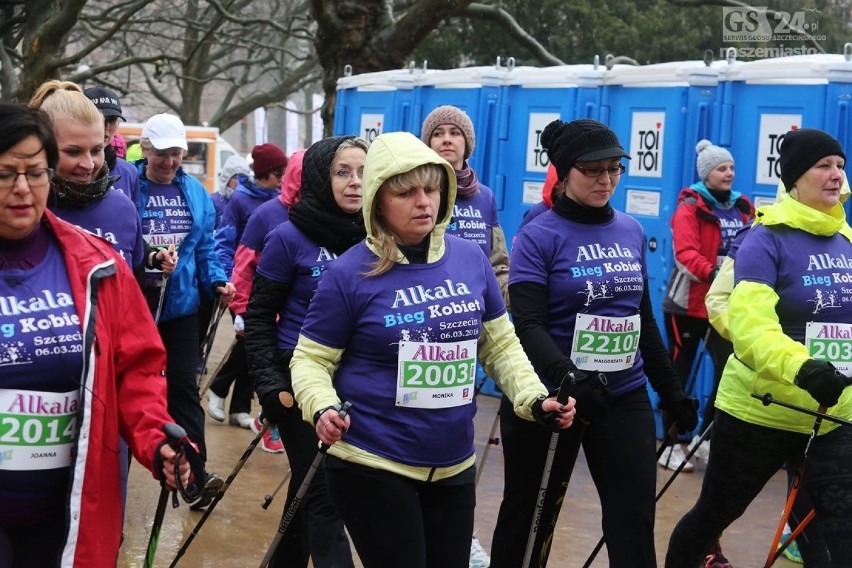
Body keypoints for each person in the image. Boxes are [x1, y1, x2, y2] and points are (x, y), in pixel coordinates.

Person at [289, 131, 576, 567]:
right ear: (378, 201)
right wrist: (322, 406)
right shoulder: (349, 273)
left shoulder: (469, 258)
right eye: (406, 192)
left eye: (432, 188)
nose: (424, 201)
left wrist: (534, 398)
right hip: (373, 460)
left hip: (452, 462)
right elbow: (310, 359)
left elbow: (500, 345)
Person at [491, 118, 698, 568]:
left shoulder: (629, 229)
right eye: (593, 170)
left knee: (633, 518)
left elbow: (641, 318)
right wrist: (567, 375)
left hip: (621, 396)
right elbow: (526, 323)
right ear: (564, 174)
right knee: (530, 517)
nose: (606, 179)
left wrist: (670, 389)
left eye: (614, 168)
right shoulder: (538, 234)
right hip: (554, 397)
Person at [0, 102, 188, 567]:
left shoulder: (97, 264)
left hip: (70, 510)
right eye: (5, 173)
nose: (22, 189)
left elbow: (136, 366)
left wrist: (155, 437)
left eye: (36, 172)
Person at [665, 128, 852, 567]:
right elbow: (749, 322)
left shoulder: (847, 240)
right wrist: (802, 367)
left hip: (832, 415)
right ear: (794, 178)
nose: (835, 176)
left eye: (840, 167)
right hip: (759, 411)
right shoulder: (763, 238)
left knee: (838, 540)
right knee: (714, 516)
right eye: (823, 166)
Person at [245, 136, 367, 566]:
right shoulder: (288, 237)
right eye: (342, 173)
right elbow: (258, 318)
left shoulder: (378, 237)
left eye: (362, 173)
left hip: (355, 385)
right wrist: (269, 385)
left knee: (306, 490)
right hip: (297, 385)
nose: (355, 183)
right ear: (319, 177)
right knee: (325, 494)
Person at [136, 112, 235, 509]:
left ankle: (195, 476)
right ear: (145, 151)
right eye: (162, 153)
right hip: (136, 309)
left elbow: (206, 247)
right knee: (130, 394)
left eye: (176, 153)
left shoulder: (194, 191)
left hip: (181, 309)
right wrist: (149, 259)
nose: (170, 161)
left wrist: (217, 281)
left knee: (183, 391)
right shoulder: (128, 183)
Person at [659, 140, 754, 473]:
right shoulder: (690, 205)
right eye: (721, 168)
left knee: (729, 370)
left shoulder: (743, 207)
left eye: (730, 167)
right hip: (687, 305)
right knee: (678, 377)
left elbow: (754, 246)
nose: (728, 173)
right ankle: (672, 443)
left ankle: (705, 439)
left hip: (725, 305)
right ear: (706, 173)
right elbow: (685, 254)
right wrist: (716, 273)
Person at [229, 148, 304, 453]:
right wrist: (242, 310)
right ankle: (271, 422)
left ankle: (272, 419)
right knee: (272, 372)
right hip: (267, 311)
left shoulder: (326, 216)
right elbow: (243, 266)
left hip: (300, 316)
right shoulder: (267, 214)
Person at [207, 143, 286, 429]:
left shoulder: (280, 198)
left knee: (259, 346)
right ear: (264, 173)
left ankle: (239, 408)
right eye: (278, 172)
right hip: (240, 283)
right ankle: (218, 386)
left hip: (269, 284)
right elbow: (225, 242)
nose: (282, 177)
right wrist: (228, 282)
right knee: (253, 342)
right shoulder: (239, 201)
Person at [421, 105, 510, 306]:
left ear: (467, 143)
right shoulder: (420, 193)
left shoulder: (485, 196)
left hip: (477, 306)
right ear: (428, 143)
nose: (446, 139)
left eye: (455, 133)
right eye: (437, 133)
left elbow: (497, 264)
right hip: (432, 305)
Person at [84, 86, 140, 207]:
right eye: (99, 119)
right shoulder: (67, 167)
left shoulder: (129, 172)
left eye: (112, 120)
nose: (106, 127)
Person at [211, 154, 251, 228]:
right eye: (235, 177)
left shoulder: (248, 202)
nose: (239, 182)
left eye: (243, 178)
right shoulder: (213, 201)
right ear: (227, 178)